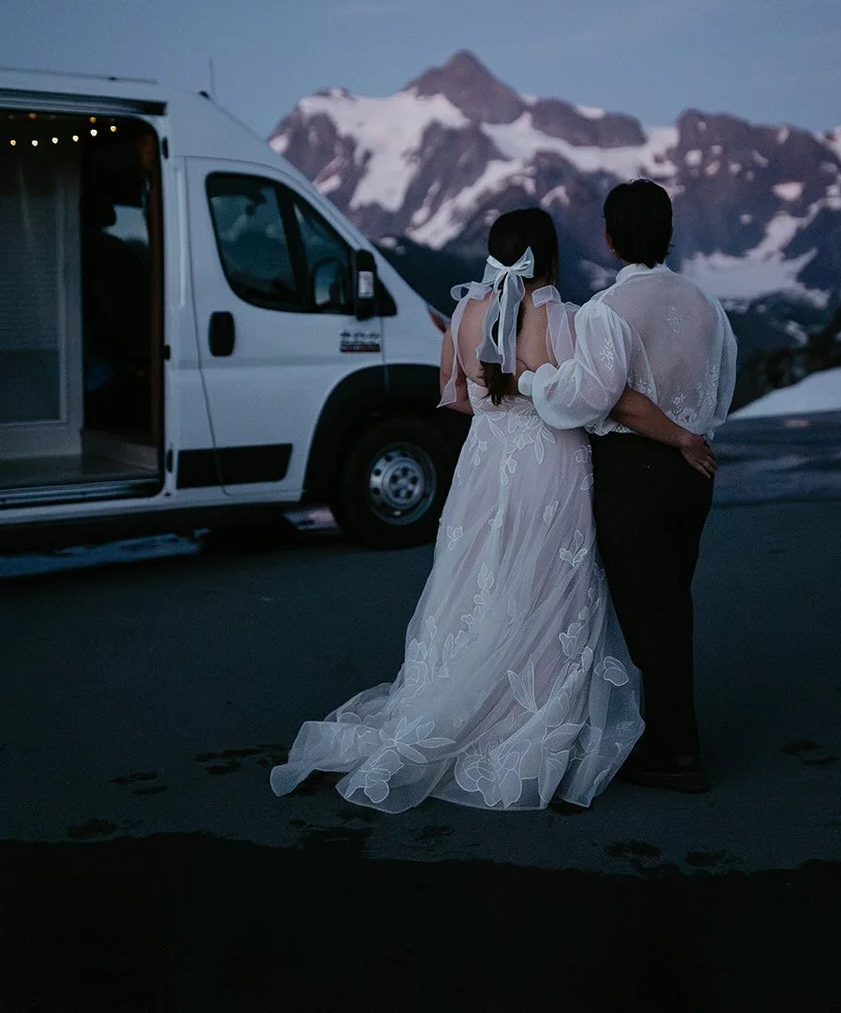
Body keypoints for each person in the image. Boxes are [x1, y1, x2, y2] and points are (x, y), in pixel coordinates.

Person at [270, 206, 696, 812]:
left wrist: (498, 403)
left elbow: (455, 397)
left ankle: (456, 705)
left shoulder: (465, 315)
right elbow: (587, 402)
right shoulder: (563, 317)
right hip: (551, 464)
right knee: (552, 586)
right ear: (549, 258)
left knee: (477, 582)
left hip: (483, 467)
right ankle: (537, 715)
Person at [519, 181, 737, 792]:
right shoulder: (708, 307)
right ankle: (669, 736)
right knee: (671, 603)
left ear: (611, 239)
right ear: (669, 233)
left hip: (634, 475)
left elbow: (596, 397)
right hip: (695, 474)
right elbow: (722, 391)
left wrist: (537, 383)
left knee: (650, 615)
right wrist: (690, 435)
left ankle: (676, 751)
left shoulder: (606, 312)